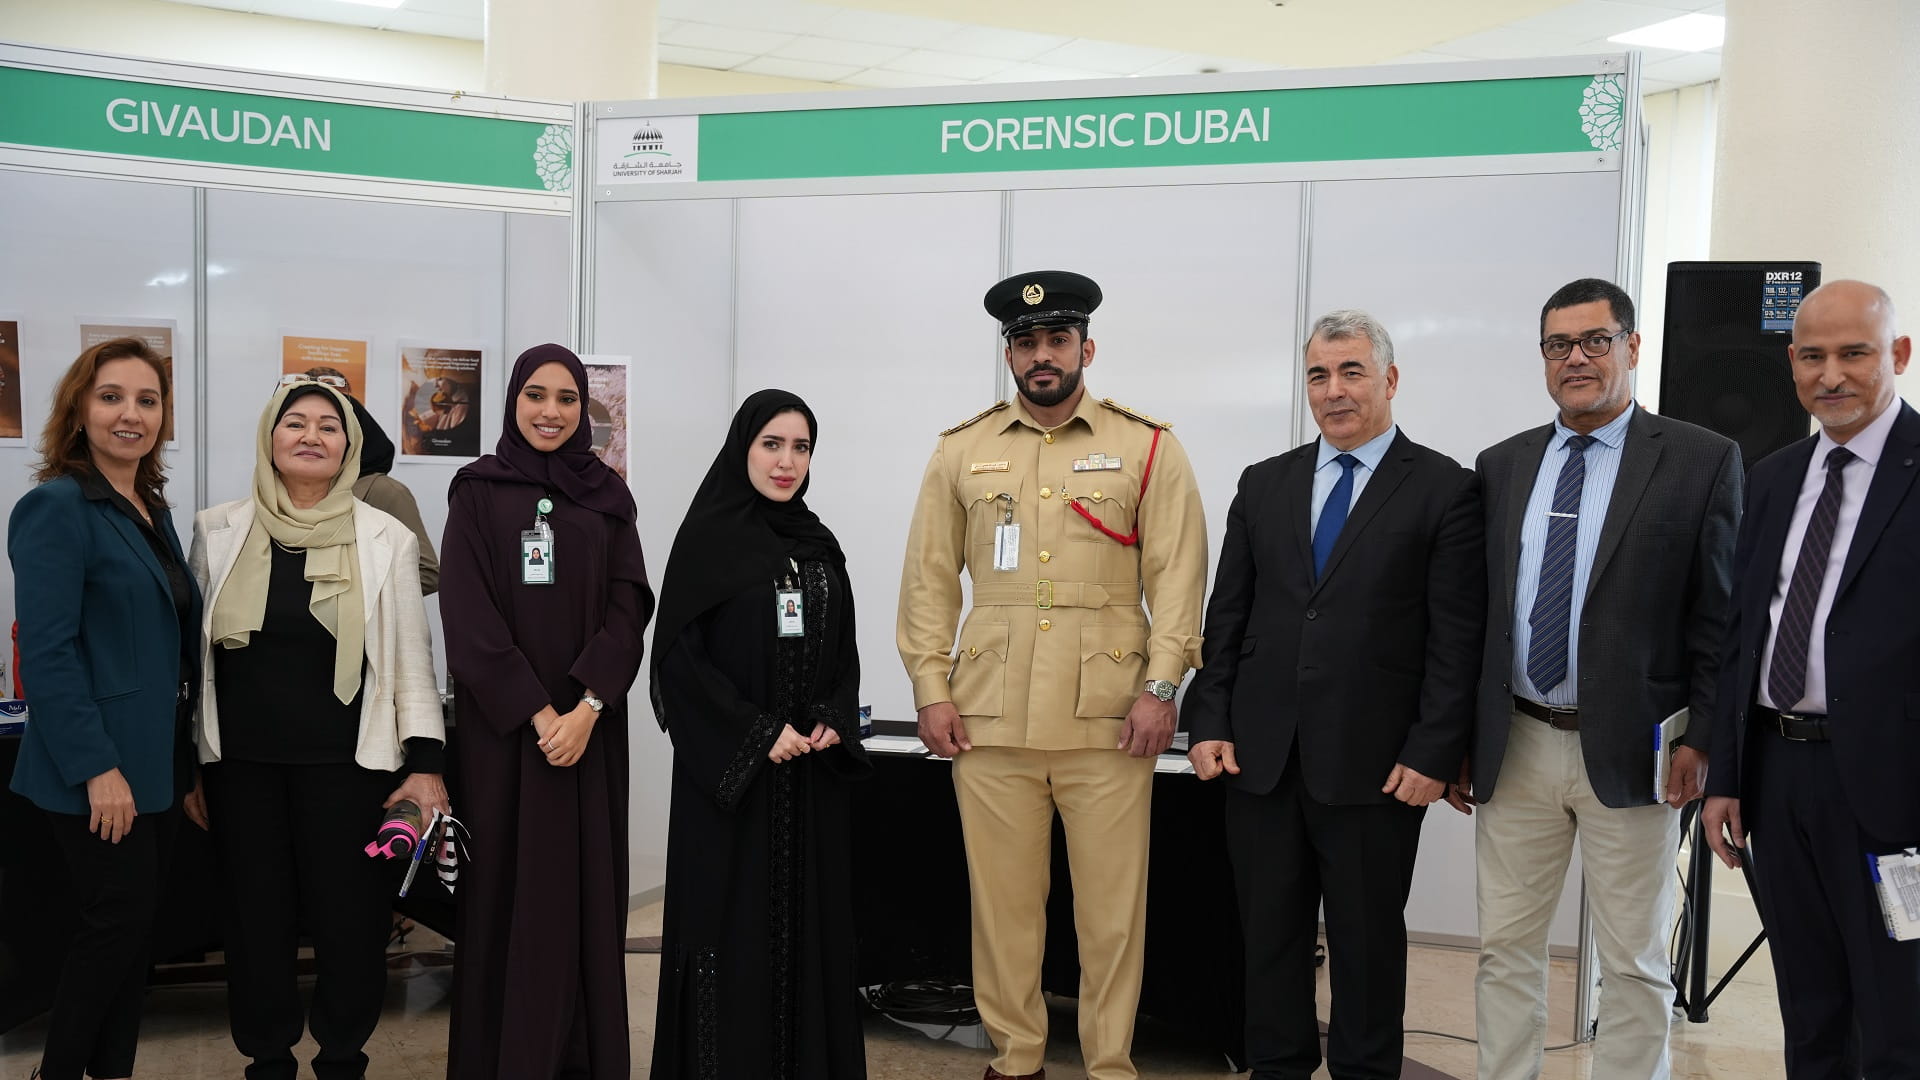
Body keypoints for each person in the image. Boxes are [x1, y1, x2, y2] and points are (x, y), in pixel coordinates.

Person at [897, 271, 1209, 1080]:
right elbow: (928, 582)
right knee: (1003, 912)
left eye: (1058, 340)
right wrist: (931, 688)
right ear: (1010, 355)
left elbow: (1178, 580)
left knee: (1111, 917)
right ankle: (1017, 1058)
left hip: (1110, 719)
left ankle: (1109, 1064)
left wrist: (1162, 688)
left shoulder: (1148, 447)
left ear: (1086, 350)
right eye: (1027, 342)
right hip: (990, 717)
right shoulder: (960, 451)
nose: (1043, 355)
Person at [1181, 311, 1484, 1080]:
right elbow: (1228, 616)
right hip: (1261, 759)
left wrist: (1434, 751)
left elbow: (1456, 640)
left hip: (1376, 766)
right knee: (1268, 942)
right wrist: (1207, 719)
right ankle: (1277, 1068)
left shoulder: (1445, 488)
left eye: (1352, 371)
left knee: (1366, 945)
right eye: (1318, 374)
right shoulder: (1265, 482)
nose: (1333, 390)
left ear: (1389, 379)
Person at [1465, 278, 1741, 1080]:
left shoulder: (1700, 460)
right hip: (1517, 742)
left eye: (1595, 340)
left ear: (1632, 346)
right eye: (1559, 345)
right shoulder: (1503, 464)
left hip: (1640, 751)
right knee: (1505, 951)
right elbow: (1480, 612)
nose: (1576, 359)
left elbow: (1719, 618)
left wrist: (1705, 740)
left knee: (1634, 961)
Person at [186, 378, 447, 1080]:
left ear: (349, 445)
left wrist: (426, 763)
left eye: (328, 426)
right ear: (269, 437)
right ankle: (267, 1059)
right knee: (254, 926)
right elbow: (195, 661)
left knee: (351, 924)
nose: (311, 436)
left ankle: (341, 1057)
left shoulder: (385, 537)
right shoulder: (217, 529)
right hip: (240, 768)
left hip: (351, 769)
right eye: (294, 422)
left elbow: (411, 655)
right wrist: (190, 763)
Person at [1702, 280, 1920, 1078]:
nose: (1832, 375)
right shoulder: (1771, 476)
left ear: (1898, 354)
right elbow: (1741, 637)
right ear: (1792, 363)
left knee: (1899, 1019)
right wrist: (1726, 778)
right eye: (1814, 357)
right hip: (1778, 776)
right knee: (1809, 1007)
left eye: (1854, 354)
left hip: (1894, 791)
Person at [440, 343, 653, 1080]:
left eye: (567, 399)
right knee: (506, 899)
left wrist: (587, 706)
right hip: (507, 742)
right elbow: (468, 617)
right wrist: (538, 713)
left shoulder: (608, 496)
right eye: (536, 395)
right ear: (513, 401)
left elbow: (630, 607)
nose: (551, 412)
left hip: (589, 736)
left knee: (584, 901)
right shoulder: (477, 491)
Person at [649, 389, 871, 1078]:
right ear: (742, 449)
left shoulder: (818, 543)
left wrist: (834, 715)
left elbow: (843, 651)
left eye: (800, 447)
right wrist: (754, 732)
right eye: (771, 444)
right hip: (731, 789)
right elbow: (679, 663)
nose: (787, 461)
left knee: (808, 933)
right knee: (733, 933)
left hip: (807, 785)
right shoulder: (706, 542)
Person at [9, 337, 200, 1080]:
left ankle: (111, 1072)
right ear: (79, 410)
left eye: (147, 400)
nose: (131, 414)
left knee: (136, 931)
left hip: (157, 763)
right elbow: (48, 655)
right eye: (111, 397)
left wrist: (185, 764)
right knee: (114, 925)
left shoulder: (151, 509)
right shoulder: (56, 506)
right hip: (96, 768)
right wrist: (98, 767)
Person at [331, 386, 440, 594]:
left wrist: (348, 593)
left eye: (329, 428)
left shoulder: (385, 491)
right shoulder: (295, 493)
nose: (312, 438)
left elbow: (427, 573)